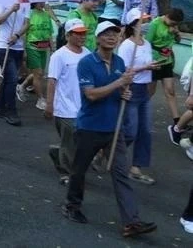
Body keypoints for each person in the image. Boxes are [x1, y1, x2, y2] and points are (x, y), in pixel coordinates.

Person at [62, 21, 156, 238]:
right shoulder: (87, 62)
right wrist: (119, 83)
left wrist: (125, 93)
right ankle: (72, 206)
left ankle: (131, 221)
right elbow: (91, 94)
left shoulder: (120, 61)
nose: (111, 37)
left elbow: (120, 90)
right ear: (97, 39)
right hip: (89, 127)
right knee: (79, 171)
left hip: (114, 129)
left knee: (121, 175)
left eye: (115, 34)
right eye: (106, 34)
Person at [44, 19, 91, 185]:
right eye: (78, 33)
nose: (82, 36)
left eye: (83, 33)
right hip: (65, 107)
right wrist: (49, 105)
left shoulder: (87, 54)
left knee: (80, 141)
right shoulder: (59, 56)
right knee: (70, 141)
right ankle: (66, 173)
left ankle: (58, 152)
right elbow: (52, 81)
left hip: (83, 107)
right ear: (68, 35)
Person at [119, 8, 160, 185]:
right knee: (130, 131)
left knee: (145, 131)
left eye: (147, 19)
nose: (146, 24)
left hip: (144, 90)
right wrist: (146, 68)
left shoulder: (147, 44)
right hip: (131, 89)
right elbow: (123, 70)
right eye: (142, 20)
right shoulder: (127, 45)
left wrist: (153, 68)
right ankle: (106, 152)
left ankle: (137, 167)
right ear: (133, 24)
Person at [0, 3, 30, 126]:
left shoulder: (26, 2)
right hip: (3, 46)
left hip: (17, 47)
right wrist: (10, 10)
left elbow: (27, 23)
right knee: (13, 80)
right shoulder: (1, 0)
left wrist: (17, 36)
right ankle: (11, 111)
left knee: (8, 79)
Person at [146, 8, 184, 126]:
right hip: (155, 61)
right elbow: (147, 43)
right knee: (150, 91)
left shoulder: (174, 26)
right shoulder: (155, 24)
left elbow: (177, 40)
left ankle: (177, 120)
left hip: (167, 61)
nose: (174, 25)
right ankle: (141, 112)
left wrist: (176, 33)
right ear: (166, 16)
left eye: (176, 24)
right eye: (172, 23)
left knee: (170, 91)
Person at [18, 2, 57, 111]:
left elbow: (49, 32)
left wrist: (52, 47)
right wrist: (24, 50)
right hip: (32, 47)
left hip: (44, 48)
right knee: (38, 73)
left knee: (39, 74)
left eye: (43, 1)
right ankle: (40, 99)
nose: (42, 3)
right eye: (39, 2)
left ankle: (22, 86)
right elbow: (25, 32)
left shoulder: (46, 15)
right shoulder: (29, 14)